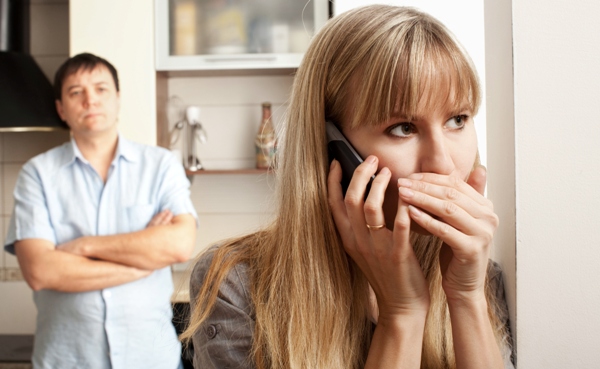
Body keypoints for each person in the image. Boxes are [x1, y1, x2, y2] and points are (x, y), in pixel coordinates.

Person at [181, 5, 514, 369]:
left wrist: (466, 299)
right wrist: (401, 315)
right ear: (332, 147)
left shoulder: (476, 273)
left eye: (457, 119)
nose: (444, 164)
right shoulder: (236, 284)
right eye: (403, 127)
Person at [4, 53, 197, 369]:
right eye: (76, 92)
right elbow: (40, 271)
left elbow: (179, 244)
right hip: (68, 361)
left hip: (150, 360)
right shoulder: (37, 174)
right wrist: (139, 264)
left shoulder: (161, 166)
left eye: (101, 89)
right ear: (61, 108)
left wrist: (84, 246)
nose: (90, 100)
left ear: (118, 99)